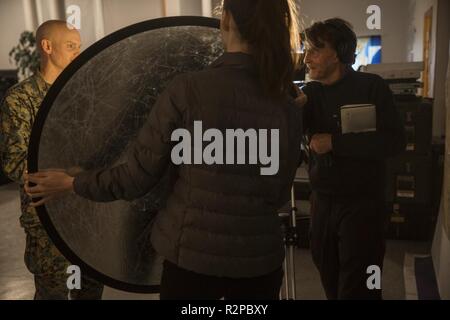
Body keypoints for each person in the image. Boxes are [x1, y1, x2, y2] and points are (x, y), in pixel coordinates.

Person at [25, 0, 303, 300]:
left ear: (226, 21)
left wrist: (72, 182)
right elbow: (278, 193)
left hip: (192, 264)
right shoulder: (286, 102)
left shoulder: (187, 90)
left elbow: (136, 178)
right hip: (259, 265)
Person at [298, 18, 406, 299]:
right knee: (329, 278)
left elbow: (394, 141)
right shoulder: (309, 94)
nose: (307, 58)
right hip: (322, 202)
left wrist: (335, 142)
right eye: (306, 50)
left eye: (315, 50)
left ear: (338, 52)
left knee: (360, 285)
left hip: (363, 204)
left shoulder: (372, 87)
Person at [0, 20, 104, 300]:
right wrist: (73, 169)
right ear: (47, 47)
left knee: (89, 293)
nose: (77, 53)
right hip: (47, 222)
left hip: (86, 217)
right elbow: (14, 164)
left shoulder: (85, 96)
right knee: (53, 295)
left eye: (79, 47)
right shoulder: (21, 99)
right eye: (71, 46)